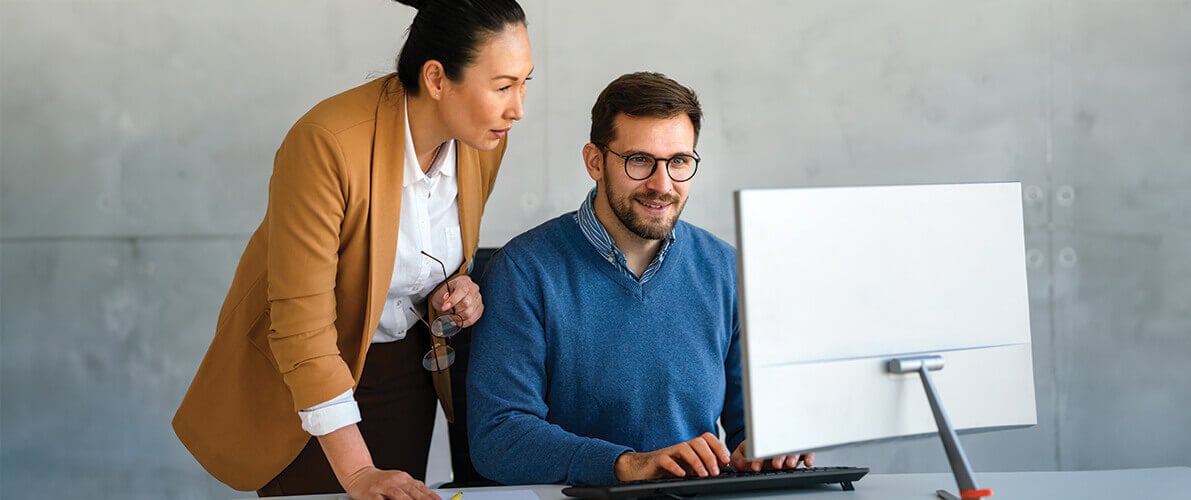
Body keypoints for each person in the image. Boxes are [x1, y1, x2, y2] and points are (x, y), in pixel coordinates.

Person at [172, 1, 532, 498]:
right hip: (310, 388)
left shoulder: (482, 139)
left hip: (407, 374)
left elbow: (426, 254)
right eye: (503, 86)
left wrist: (457, 286)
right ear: (436, 78)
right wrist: (358, 472)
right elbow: (301, 326)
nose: (518, 108)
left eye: (524, 83)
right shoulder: (326, 144)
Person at [465, 72, 812, 486]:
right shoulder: (523, 271)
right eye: (640, 160)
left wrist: (768, 448)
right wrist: (628, 465)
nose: (662, 185)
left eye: (679, 161)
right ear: (595, 161)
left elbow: (750, 425)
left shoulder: (725, 269)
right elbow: (499, 437)